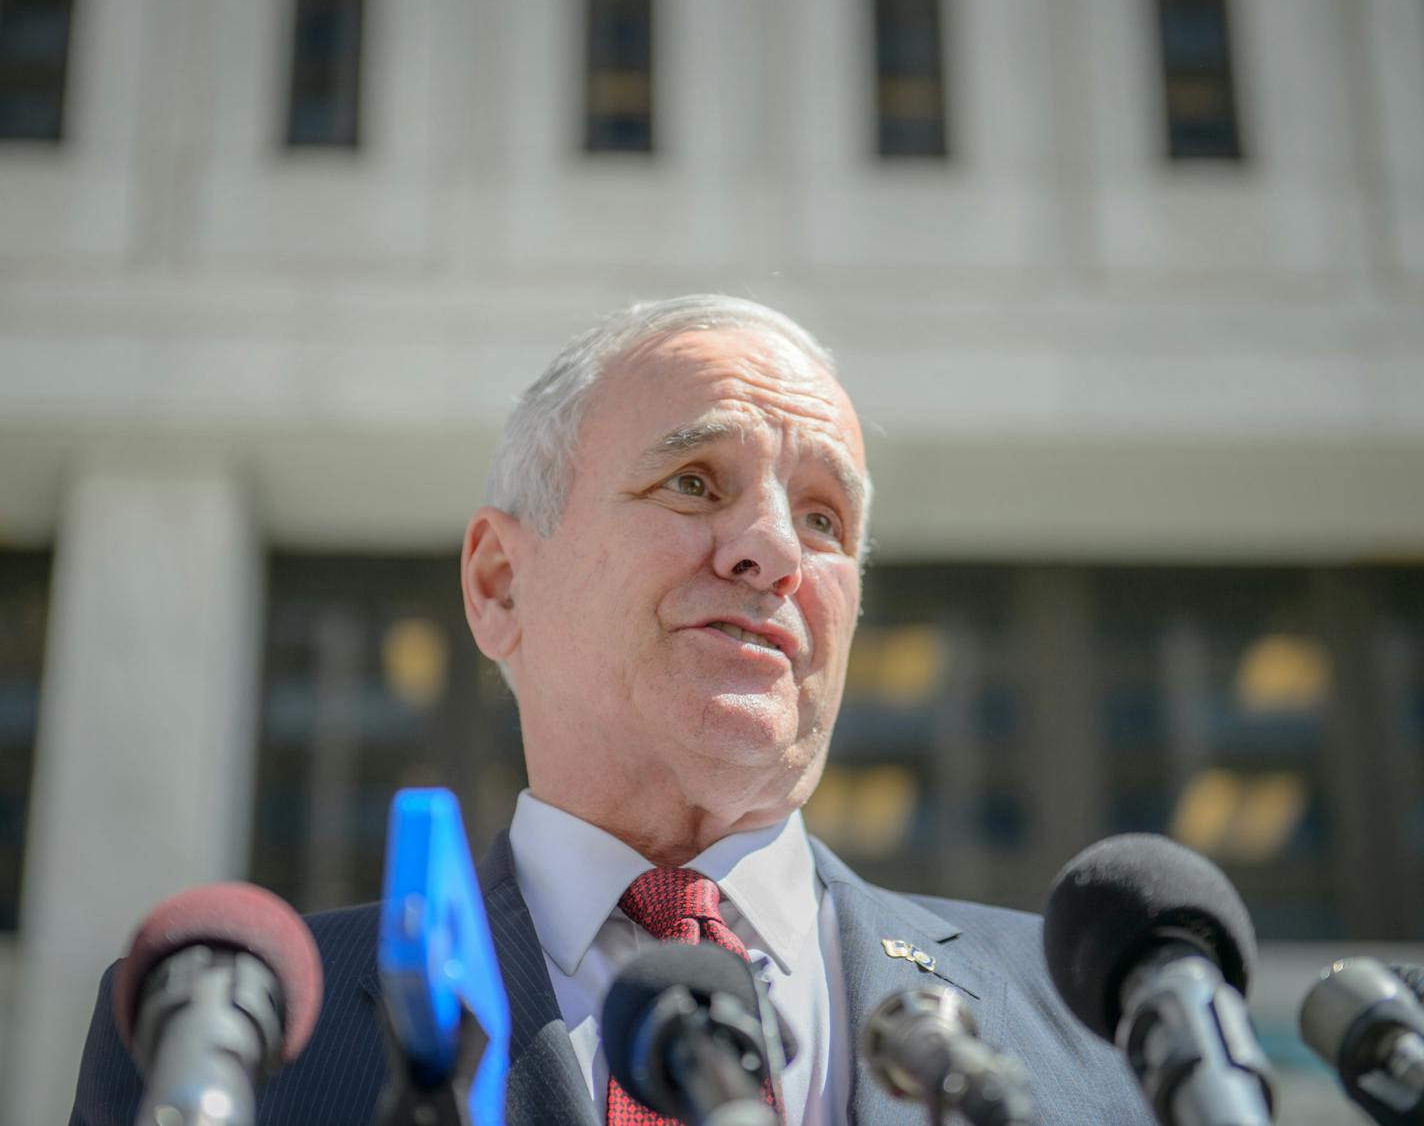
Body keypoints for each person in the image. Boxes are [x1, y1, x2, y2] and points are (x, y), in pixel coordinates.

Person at [70, 296, 1152, 1124]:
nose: (772, 549)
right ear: (500, 583)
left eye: (821, 516)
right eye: (692, 481)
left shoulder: (1092, 1017)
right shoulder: (215, 1041)